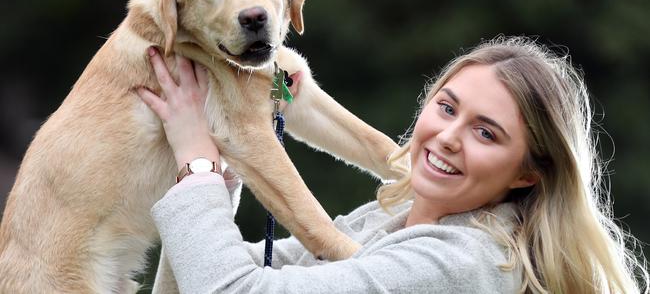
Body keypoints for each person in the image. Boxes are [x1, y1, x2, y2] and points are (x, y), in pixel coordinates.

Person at [137, 36, 649, 293]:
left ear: (526, 174)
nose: (448, 137)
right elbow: (221, 269)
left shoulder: (461, 263)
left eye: (485, 132)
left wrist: (197, 162)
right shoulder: (390, 220)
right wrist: (225, 163)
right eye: (447, 108)